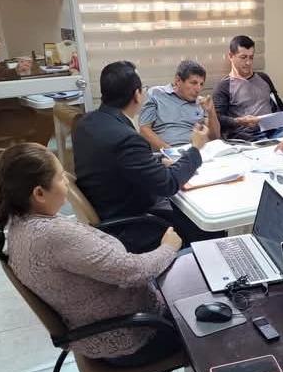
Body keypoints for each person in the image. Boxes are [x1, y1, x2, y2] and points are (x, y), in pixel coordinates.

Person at [0, 142, 184, 367]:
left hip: (109, 321)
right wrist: (168, 247)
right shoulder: (51, 235)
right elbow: (133, 272)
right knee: (208, 289)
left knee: (194, 268)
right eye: (61, 177)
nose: (67, 181)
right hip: (136, 335)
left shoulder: (19, 225)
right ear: (39, 193)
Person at [73, 60, 222, 253]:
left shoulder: (85, 123)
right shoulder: (127, 138)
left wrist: (158, 160)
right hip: (132, 225)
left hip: (107, 208)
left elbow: (119, 161)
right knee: (209, 227)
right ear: (137, 95)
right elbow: (168, 185)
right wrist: (195, 149)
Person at [214, 35, 283, 141]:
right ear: (231, 56)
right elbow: (218, 118)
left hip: (274, 130)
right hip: (248, 135)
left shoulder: (263, 78)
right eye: (243, 57)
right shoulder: (224, 86)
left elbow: (278, 104)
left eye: (251, 57)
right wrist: (240, 121)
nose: (248, 62)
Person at [139, 60, 220, 150]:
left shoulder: (202, 103)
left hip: (198, 150)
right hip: (168, 150)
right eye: (193, 83)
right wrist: (170, 151)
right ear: (178, 80)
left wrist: (211, 111)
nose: (198, 89)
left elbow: (215, 137)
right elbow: (144, 130)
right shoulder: (156, 93)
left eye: (201, 84)